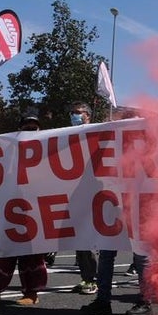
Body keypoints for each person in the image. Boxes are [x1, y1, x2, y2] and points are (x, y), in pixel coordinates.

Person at [0, 114, 49, 306]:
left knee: (32, 255)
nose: (31, 130)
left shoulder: (49, 148)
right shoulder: (7, 149)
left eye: (34, 127)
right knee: (3, 252)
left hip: (34, 211)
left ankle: (32, 293)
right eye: (27, 126)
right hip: (9, 209)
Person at [67, 101, 99, 295]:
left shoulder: (96, 132)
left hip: (91, 195)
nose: (74, 116)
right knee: (79, 240)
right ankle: (86, 278)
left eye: (78, 113)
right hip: (73, 195)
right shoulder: (66, 135)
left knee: (89, 241)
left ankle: (93, 280)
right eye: (72, 112)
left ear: (88, 115)